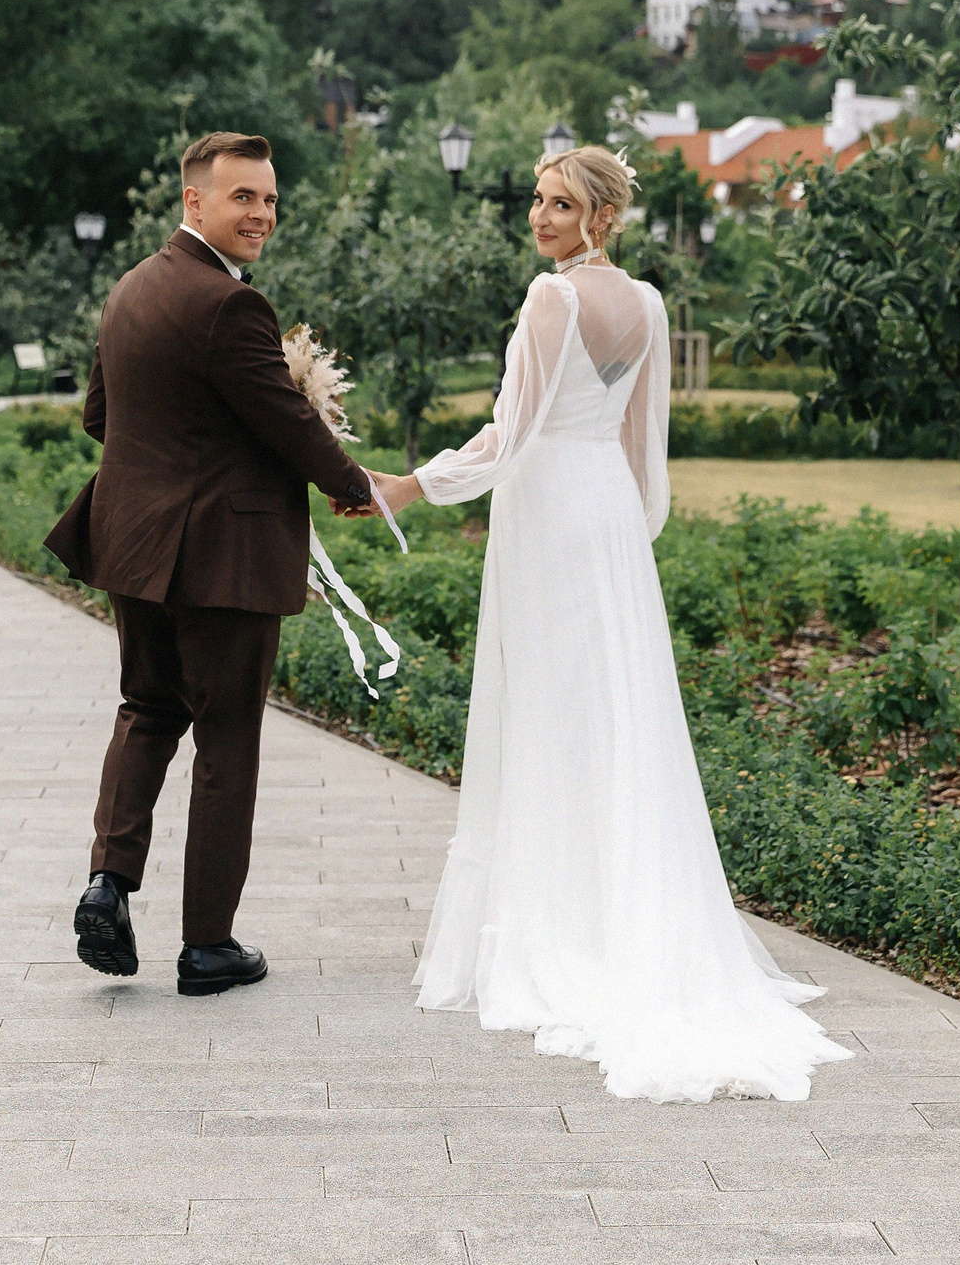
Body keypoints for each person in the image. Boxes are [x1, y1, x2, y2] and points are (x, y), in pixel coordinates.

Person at [371, 146, 851, 1102]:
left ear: (600, 214)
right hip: (609, 522)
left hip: (552, 510)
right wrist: (625, 542)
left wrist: (414, 483)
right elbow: (641, 446)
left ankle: (562, 929)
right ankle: (613, 910)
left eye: (561, 204)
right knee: (611, 719)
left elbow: (513, 434)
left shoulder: (554, 301)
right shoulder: (651, 302)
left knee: (552, 717)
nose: (541, 217)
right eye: (539, 200)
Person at [45, 132, 377, 996]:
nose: (262, 213)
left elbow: (99, 415)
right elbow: (285, 423)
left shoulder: (129, 292)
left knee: (147, 710)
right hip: (219, 556)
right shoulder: (233, 307)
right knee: (227, 739)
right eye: (244, 198)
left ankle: (107, 884)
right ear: (195, 202)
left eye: (269, 199)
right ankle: (207, 944)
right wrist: (352, 484)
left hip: (132, 542)